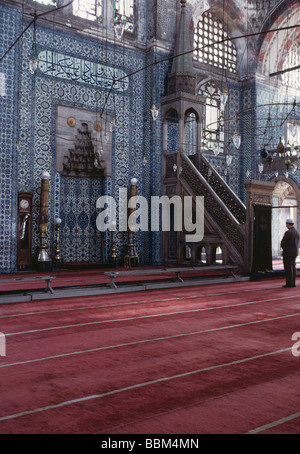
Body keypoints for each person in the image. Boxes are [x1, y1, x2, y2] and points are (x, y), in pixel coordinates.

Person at [280, 218, 300, 288]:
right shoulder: (296, 232)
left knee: (288, 268)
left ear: (287, 224)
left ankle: (289, 283)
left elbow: (283, 242)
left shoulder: (288, 232)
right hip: (294, 252)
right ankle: (293, 283)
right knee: (293, 268)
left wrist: (284, 248)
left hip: (288, 253)